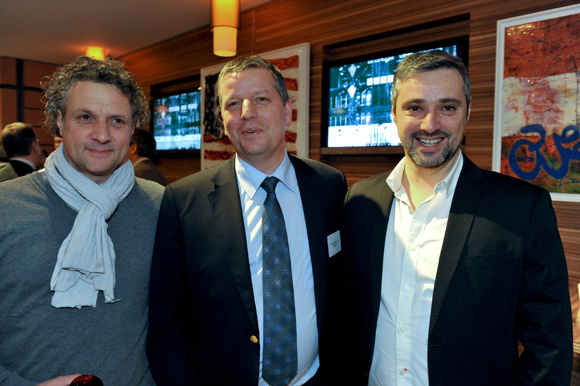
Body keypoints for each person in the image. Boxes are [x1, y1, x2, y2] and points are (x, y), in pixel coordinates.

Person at [340, 50, 572, 385]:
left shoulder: (521, 208)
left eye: (447, 107)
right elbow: (348, 314)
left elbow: (550, 345)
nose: (429, 124)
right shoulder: (361, 200)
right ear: (393, 113)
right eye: (415, 107)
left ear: (467, 112)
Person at [147, 55, 347, 385]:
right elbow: (167, 323)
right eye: (233, 104)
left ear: (288, 111)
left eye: (261, 99)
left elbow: (343, 293)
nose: (247, 113)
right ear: (223, 121)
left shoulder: (329, 186)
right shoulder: (184, 201)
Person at [0, 55, 164, 386]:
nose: (101, 135)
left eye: (117, 121)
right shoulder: (5, 206)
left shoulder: (161, 206)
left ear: (133, 129)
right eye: (86, 117)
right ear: (59, 122)